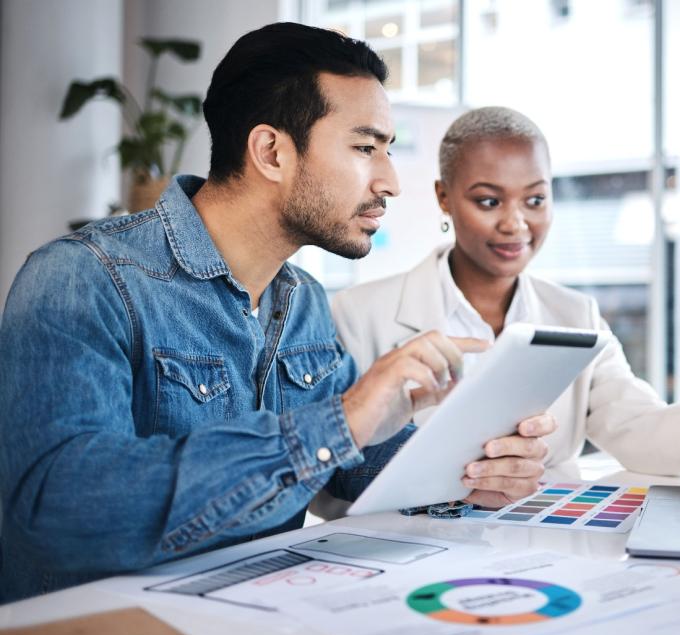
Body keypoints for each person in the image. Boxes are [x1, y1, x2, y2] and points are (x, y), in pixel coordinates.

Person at [0, 27, 553, 604]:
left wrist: (477, 465)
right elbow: (60, 510)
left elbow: (349, 468)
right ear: (270, 152)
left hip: (258, 621)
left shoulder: (302, 299)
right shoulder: (82, 280)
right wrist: (343, 419)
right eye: (365, 148)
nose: (388, 180)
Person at [330, 106, 680, 479]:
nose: (516, 224)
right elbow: (336, 481)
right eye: (489, 201)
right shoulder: (358, 317)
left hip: (549, 557)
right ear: (444, 199)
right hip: (413, 567)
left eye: (535, 201)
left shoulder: (575, 314)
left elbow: (640, 429)